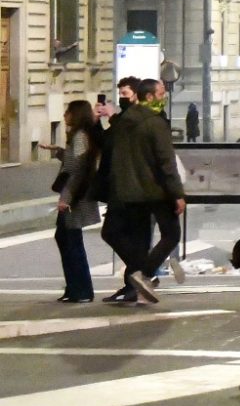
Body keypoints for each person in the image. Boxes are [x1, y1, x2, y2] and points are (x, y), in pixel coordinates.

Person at [110, 78, 187, 303]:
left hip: (130, 190)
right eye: (161, 94)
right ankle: (143, 274)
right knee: (172, 234)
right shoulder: (155, 123)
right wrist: (177, 193)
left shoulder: (125, 121)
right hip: (156, 189)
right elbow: (166, 162)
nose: (164, 97)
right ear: (150, 96)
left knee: (140, 239)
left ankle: (140, 276)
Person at [40, 100, 100, 303]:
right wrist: (57, 150)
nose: (65, 115)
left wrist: (66, 198)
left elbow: (77, 169)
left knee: (71, 242)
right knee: (66, 238)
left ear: (76, 114)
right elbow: (74, 161)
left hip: (76, 198)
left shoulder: (80, 136)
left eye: (68, 112)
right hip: (74, 196)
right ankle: (75, 287)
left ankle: (81, 289)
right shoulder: (79, 136)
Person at [96, 76, 145, 303]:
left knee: (112, 232)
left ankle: (141, 272)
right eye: (120, 94)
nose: (121, 98)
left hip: (130, 187)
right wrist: (98, 121)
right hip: (118, 185)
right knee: (123, 235)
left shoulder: (136, 116)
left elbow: (127, 135)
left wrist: (113, 116)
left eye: (125, 94)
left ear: (136, 94)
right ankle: (133, 283)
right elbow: (106, 142)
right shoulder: (123, 117)